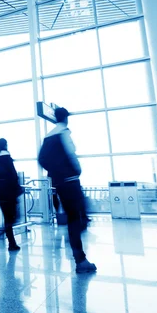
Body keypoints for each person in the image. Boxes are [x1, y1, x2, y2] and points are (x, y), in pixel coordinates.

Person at [38, 107, 97, 273]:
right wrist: (75, 170)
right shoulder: (63, 133)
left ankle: (80, 256)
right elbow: (72, 155)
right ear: (66, 117)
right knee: (76, 218)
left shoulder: (48, 136)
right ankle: (81, 260)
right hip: (71, 181)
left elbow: (41, 159)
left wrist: (56, 173)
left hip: (60, 183)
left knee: (75, 217)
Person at [0, 138, 22, 251]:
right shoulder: (7, 158)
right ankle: (2, 233)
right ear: (5, 145)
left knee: (7, 218)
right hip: (10, 192)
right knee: (15, 217)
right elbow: (13, 175)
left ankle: (11, 243)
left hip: (0, 193)